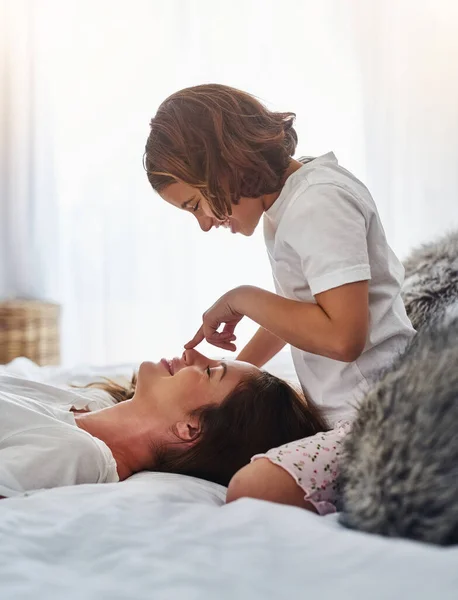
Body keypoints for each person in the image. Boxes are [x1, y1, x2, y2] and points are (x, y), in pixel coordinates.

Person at [144, 84, 416, 508]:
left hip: (387, 417)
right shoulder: (290, 203)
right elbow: (302, 315)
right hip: (357, 410)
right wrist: (231, 374)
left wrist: (243, 298)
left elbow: (344, 338)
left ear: (224, 165)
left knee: (254, 487)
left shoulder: (318, 203)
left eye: (196, 204)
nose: (203, 223)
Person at [0, 350, 329, 501]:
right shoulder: (94, 404)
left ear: (190, 428)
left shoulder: (75, 453)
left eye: (209, 371)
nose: (192, 353)